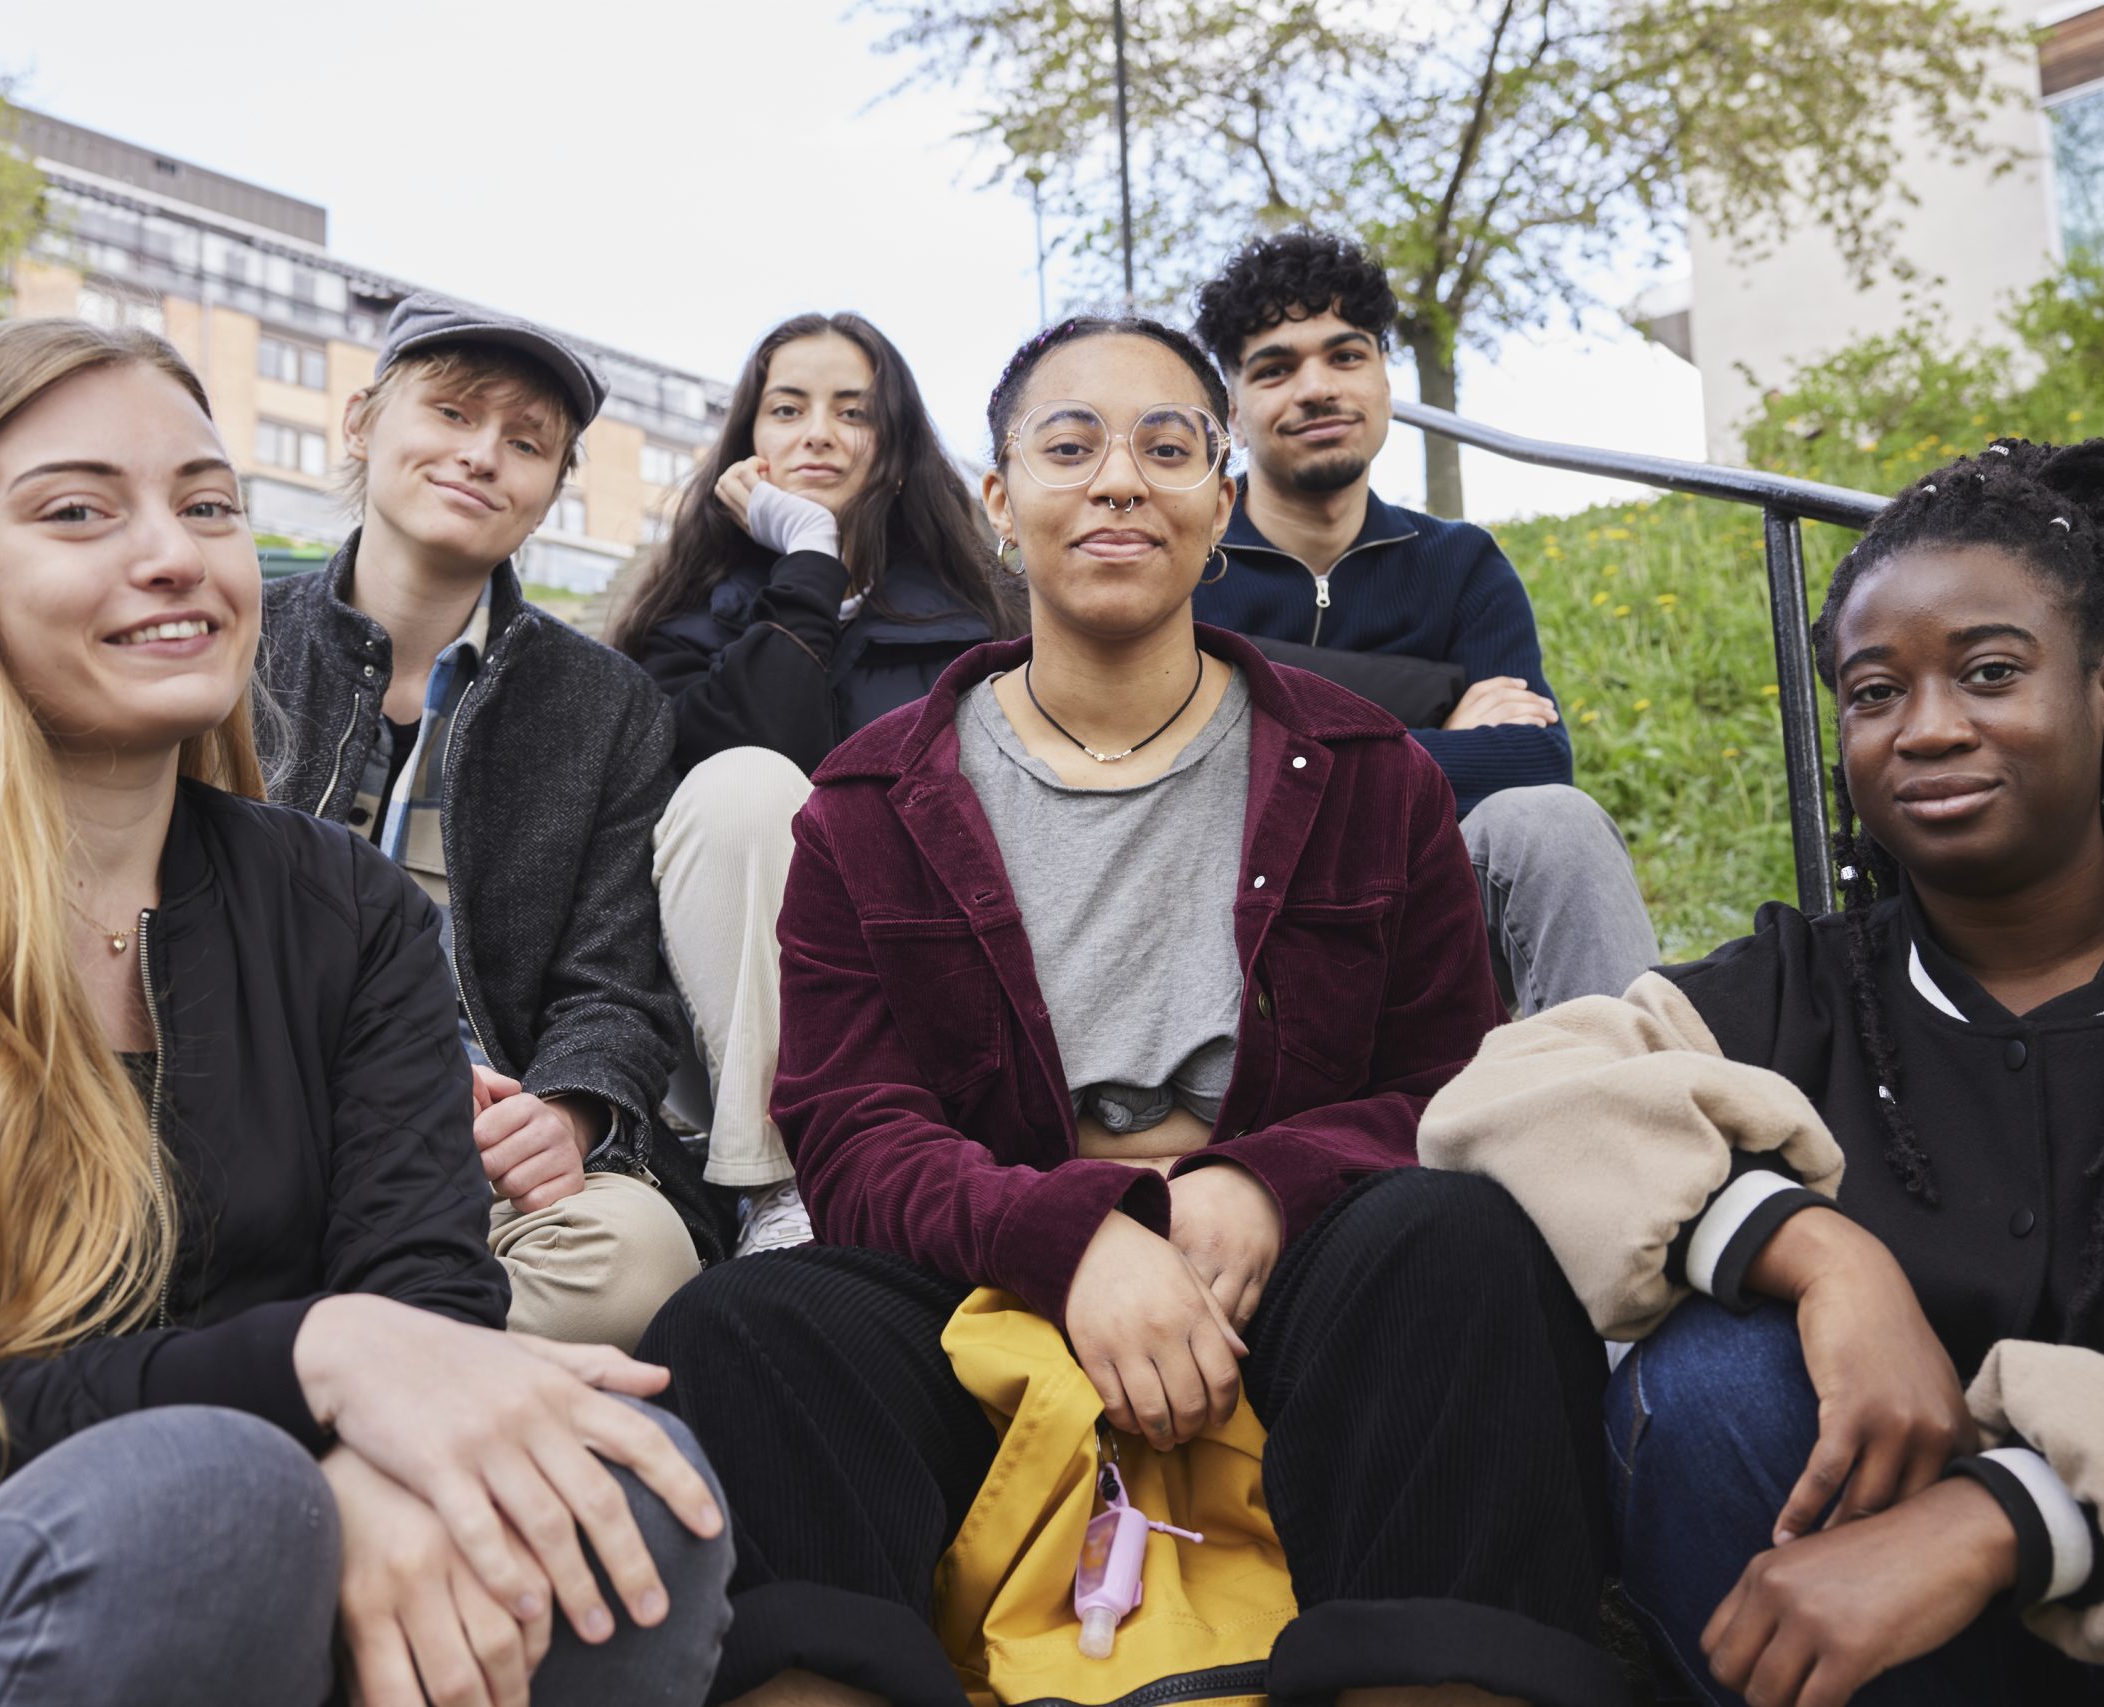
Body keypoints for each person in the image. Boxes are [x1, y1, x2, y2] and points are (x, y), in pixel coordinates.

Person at [637, 315, 1626, 1707]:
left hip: (1298, 1274)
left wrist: (1265, 1182)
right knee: (741, 1324)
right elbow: (853, 1132)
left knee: (1457, 1238)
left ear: (1221, 504)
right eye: (1069, 444)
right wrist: (1072, 1237)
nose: (1118, 480)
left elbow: (1443, 1086)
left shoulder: (1366, 770)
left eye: (1169, 447)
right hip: (991, 1270)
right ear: (998, 498)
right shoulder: (870, 797)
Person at [0, 319, 731, 1707]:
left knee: (624, 1485)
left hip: (254, 1538)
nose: (174, 553)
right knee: (217, 1499)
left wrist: (364, 1432)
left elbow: (428, 1298)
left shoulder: (343, 909)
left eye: (207, 504)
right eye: (79, 510)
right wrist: (313, 1367)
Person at [1420, 438, 2104, 1706]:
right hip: (1894, 1657)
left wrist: (2011, 1511)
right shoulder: (1804, 986)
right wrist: (1817, 1254)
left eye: (1991, 673)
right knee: (1716, 1380)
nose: (1930, 728)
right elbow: (1502, 1095)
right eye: (1872, 693)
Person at [262, 293, 719, 1348]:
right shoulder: (235, 634)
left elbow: (614, 984)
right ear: (362, 422)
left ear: (552, 491)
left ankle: (319, 1348)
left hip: (470, 1151)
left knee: (637, 1260)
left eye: (525, 444)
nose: (482, 457)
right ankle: (375, 1350)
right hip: (245, 1112)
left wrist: (565, 1113)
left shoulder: (607, 705)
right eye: (454, 415)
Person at [609, 312, 1022, 1255]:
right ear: (749, 440)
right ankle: (788, 1187)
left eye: (853, 411)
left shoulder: (985, 629)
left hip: (932, 984)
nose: (818, 433)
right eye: (786, 409)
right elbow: (755, 756)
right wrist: (808, 555)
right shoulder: (679, 626)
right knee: (746, 783)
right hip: (733, 1029)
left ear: (897, 444)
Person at [1189, 229, 1658, 1014]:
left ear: (1383, 379)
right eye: (1276, 368)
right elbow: (1198, 777)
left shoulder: (1461, 563)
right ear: (1232, 412)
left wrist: (1292, 753)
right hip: (1231, 927)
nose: (1316, 388)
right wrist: (1442, 735)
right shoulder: (1187, 569)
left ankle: (1634, 1105)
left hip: (1424, 908)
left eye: (1345, 356)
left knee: (1553, 822)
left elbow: (1535, 758)